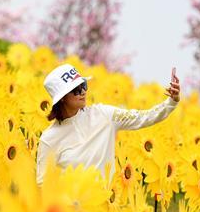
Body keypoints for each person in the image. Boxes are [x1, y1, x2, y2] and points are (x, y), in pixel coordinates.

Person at [36, 63, 181, 185]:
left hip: (106, 211)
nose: (83, 92)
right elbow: (42, 185)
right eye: (76, 90)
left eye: (84, 85)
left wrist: (172, 101)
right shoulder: (49, 139)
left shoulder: (104, 115)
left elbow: (144, 117)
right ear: (61, 98)